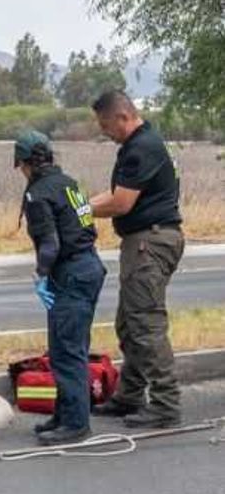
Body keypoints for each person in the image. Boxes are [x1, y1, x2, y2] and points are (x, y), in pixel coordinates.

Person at [88, 90, 185, 429]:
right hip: (146, 241)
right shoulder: (139, 145)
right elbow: (113, 195)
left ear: (123, 117)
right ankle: (129, 395)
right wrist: (80, 205)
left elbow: (121, 203)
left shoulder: (142, 148)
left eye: (105, 124)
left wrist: (79, 212)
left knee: (146, 325)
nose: (103, 131)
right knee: (131, 325)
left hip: (150, 242)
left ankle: (165, 403)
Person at [14, 130, 106, 445]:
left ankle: (77, 424)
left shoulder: (38, 193)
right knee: (63, 349)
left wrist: (41, 274)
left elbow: (50, 244)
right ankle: (64, 414)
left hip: (72, 273)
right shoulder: (68, 182)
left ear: (23, 163)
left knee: (68, 352)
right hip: (87, 265)